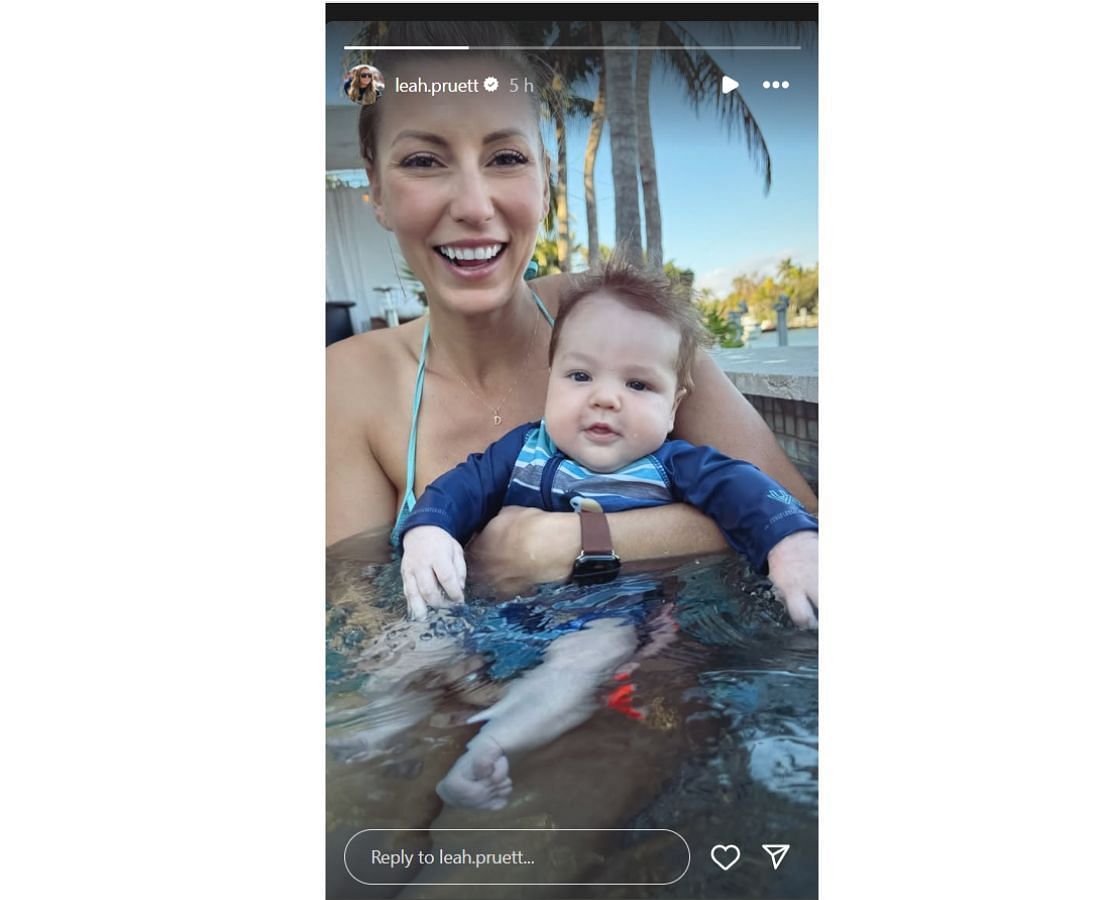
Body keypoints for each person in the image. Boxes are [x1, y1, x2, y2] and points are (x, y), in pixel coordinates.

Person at [325, 28, 819, 892]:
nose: (474, 205)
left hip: (634, 674)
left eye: (506, 155)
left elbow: (788, 512)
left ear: (547, 181)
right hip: (444, 674)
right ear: (375, 191)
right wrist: (434, 684)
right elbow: (352, 607)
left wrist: (565, 545)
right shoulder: (344, 385)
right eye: (424, 159)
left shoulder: (623, 327)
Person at [395, 259, 819, 810]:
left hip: (612, 614)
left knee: (590, 657)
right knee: (416, 638)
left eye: (638, 383)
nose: (605, 397)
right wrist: (427, 530)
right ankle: (375, 726)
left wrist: (791, 542)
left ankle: (492, 745)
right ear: (549, 381)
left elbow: (749, 489)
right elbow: (457, 488)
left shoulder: (674, 465)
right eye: (579, 376)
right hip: (504, 611)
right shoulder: (521, 450)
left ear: (674, 406)